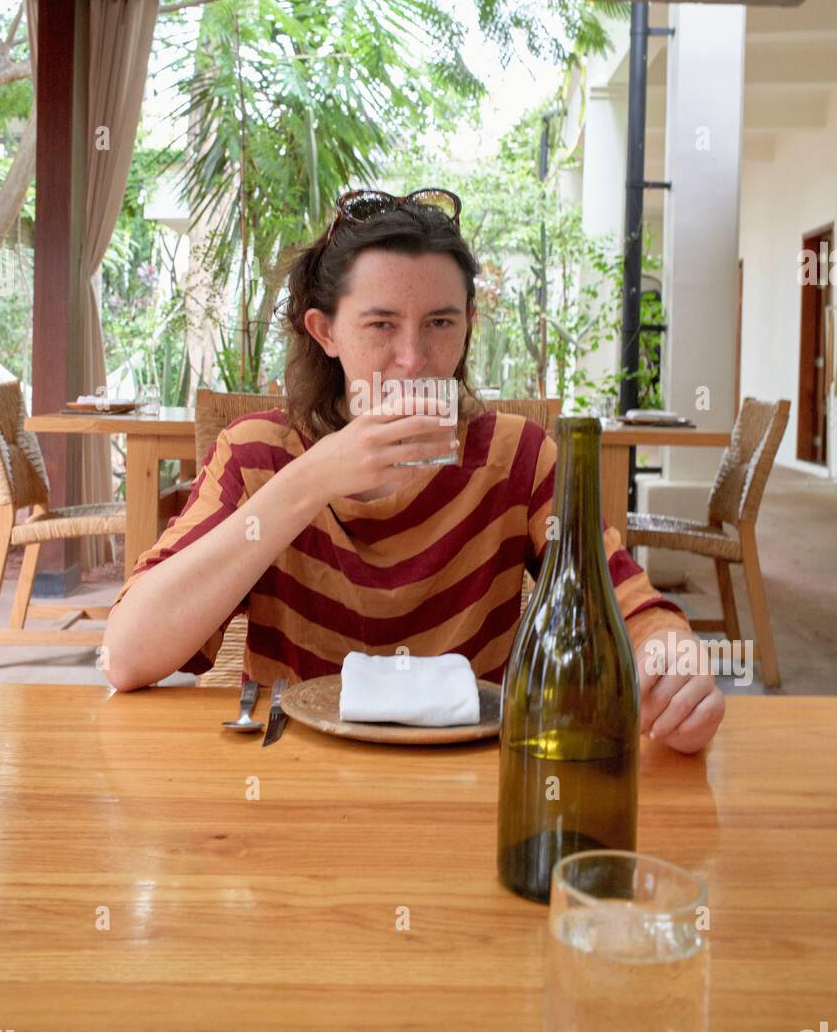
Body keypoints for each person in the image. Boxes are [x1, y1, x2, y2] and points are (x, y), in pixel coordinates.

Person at [103, 189, 725, 754]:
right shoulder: (256, 456)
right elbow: (126, 657)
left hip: (475, 775)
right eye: (380, 325)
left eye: (440, 323)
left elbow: (626, 604)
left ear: (467, 326)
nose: (413, 360)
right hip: (293, 774)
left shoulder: (518, 457)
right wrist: (313, 478)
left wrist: (673, 663)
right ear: (325, 332)